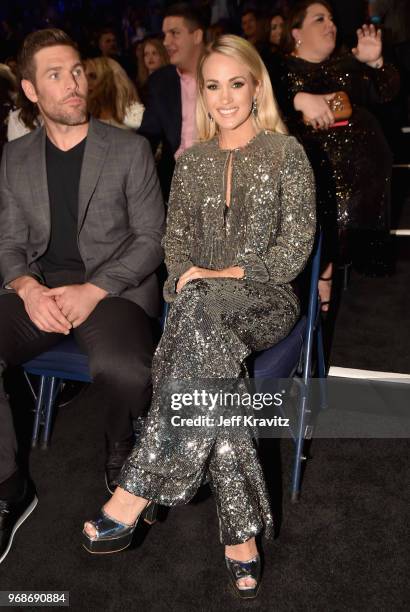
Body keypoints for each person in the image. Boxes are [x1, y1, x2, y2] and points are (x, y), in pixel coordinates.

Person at [82, 34, 316, 599]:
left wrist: (224, 276)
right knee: (207, 342)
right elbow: (176, 246)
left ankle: (137, 489)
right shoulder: (191, 164)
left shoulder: (287, 154)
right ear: (202, 95)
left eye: (237, 83)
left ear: (256, 86)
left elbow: (295, 250)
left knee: (198, 314)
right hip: (200, 309)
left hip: (266, 299)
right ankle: (241, 533)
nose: (225, 97)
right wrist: (195, 278)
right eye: (213, 86)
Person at [0, 28, 165, 565]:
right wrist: (26, 287)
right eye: (55, 75)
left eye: (76, 71)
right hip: (40, 293)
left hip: (111, 290)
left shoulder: (129, 149)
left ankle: (121, 448)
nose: (73, 84)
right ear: (30, 91)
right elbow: (7, 242)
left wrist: (94, 289)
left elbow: (150, 239)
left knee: (127, 369)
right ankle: (9, 488)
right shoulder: (15, 157)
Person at [272, 0, 400, 309]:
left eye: (331, 18)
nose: (330, 24)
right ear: (297, 32)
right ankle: (322, 274)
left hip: (364, 179)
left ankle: (331, 273)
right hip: (313, 174)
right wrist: (301, 101)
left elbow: (388, 92)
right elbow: (264, 101)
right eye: (319, 19)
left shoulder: (348, 62)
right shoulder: (280, 67)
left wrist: (376, 63)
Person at [138, 3, 206, 200]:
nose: (166, 42)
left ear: (197, 36)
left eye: (174, 33)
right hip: (174, 184)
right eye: (165, 34)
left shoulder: (222, 74)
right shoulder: (160, 82)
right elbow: (148, 136)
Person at [85, 57, 144, 129]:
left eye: (92, 76)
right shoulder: (85, 114)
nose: (86, 82)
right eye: (84, 76)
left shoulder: (134, 114)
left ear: (108, 81)